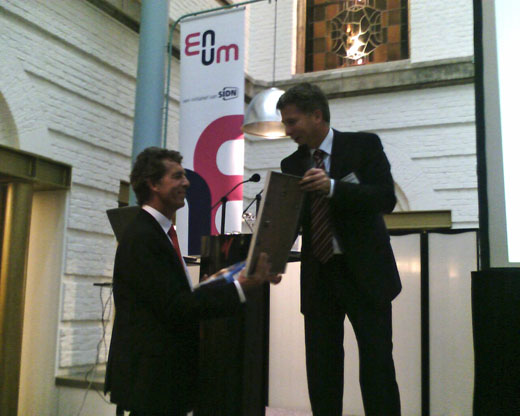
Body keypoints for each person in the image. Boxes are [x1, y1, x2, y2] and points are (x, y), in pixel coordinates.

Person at [104, 147, 280, 416]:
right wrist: (239, 287)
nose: (186, 183)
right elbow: (176, 306)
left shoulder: (155, 232)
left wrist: (212, 285)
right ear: (153, 184)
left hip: (159, 376)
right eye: (177, 176)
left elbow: (168, 297)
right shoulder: (144, 237)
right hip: (153, 378)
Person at [278, 83, 402, 416]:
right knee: (322, 369)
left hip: (366, 274)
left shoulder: (364, 146)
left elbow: (385, 199)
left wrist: (332, 187)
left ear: (316, 115)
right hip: (319, 276)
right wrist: (273, 256)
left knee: (377, 365)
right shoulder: (291, 164)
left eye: (292, 122)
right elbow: (293, 220)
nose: (287, 131)